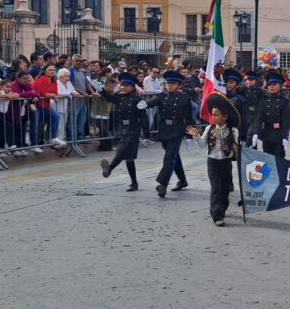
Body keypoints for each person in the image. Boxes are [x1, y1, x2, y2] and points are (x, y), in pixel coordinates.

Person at [187, 92, 241, 226]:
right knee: (216, 187)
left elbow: (235, 148)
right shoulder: (208, 128)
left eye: (216, 115)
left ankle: (223, 206)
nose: (213, 117)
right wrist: (196, 136)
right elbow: (202, 145)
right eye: (212, 114)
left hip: (225, 162)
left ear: (225, 116)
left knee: (225, 188)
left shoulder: (233, 130)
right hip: (212, 162)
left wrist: (233, 148)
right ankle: (217, 215)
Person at [143, 70, 195, 198]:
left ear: (179, 85)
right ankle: (182, 181)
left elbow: (189, 118)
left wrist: (189, 136)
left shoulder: (184, 99)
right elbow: (153, 102)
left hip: (177, 131)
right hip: (164, 130)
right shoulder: (162, 96)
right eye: (167, 84)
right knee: (173, 157)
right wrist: (144, 104)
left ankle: (163, 184)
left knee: (169, 157)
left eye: (172, 84)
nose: (169, 86)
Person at [98, 72, 147, 191]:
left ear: (132, 87)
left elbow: (144, 117)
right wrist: (100, 90)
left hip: (133, 129)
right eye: (122, 85)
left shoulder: (136, 99)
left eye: (126, 86)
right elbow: (108, 97)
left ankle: (109, 168)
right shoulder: (118, 97)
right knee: (128, 158)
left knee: (122, 150)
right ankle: (134, 183)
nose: (123, 87)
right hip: (121, 129)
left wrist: (146, 134)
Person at [250, 72, 290, 158]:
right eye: (269, 85)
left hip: (278, 135)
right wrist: (256, 132)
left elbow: (286, 121)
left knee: (279, 160)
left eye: (274, 84)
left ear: (280, 86)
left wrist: (285, 137)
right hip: (267, 134)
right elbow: (259, 117)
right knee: (268, 160)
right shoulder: (263, 100)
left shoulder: (284, 101)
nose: (271, 87)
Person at [238, 70, 264, 145]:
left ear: (255, 80)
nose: (249, 81)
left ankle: (253, 152)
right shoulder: (242, 90)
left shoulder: (259, 91)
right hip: (245, 115)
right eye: (248, 80)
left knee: (252, 136)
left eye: (252, 80)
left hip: (255, 114)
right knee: (246, 135)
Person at [55, 67, 77, 145]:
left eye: (68, 76)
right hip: (58, 106)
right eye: (66, 76)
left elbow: (72, 90)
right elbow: (58, 93)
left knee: (63, 125)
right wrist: (70, 93)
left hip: (66, 107)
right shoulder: (57, 82)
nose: (68, 77)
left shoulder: (68, 83)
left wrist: (75, 92)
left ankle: (61, 140)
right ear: (61, 76)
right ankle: (57, 141)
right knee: (59, 125)